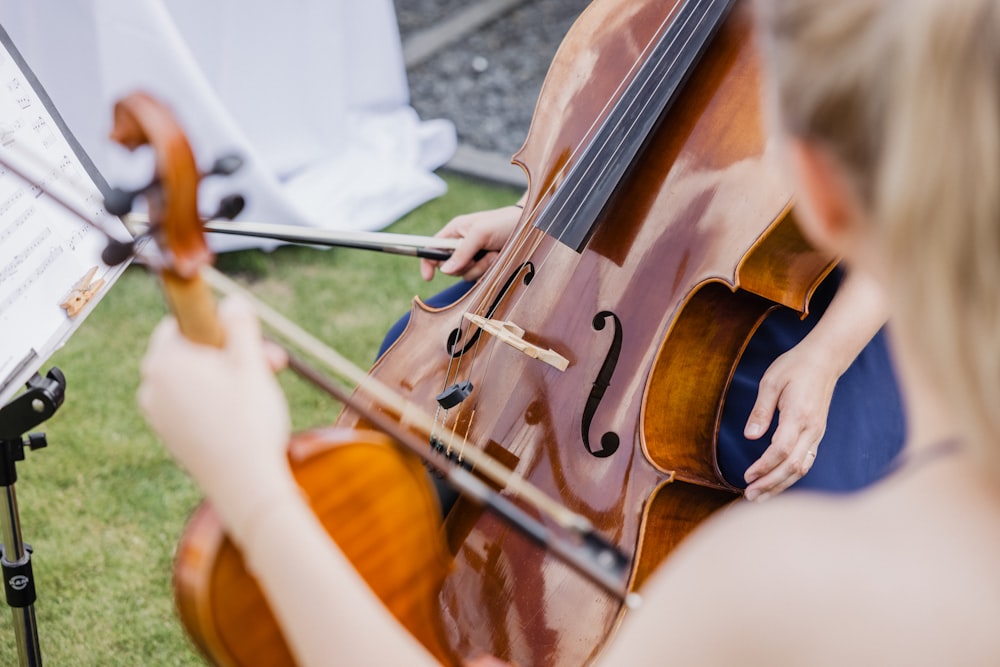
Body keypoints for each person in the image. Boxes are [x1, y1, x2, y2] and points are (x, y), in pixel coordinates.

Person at [138, 0, 1000, 664]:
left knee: (761, 450)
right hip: (640, 277)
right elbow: (654, 138)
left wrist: (252, 483)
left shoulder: (772, 587)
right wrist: (538, 211)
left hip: (792, 309)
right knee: (425, 345)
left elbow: (927, 178)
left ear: (816, 188)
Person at [381, 202, 903, 503]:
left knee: (782, 478)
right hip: (618, 259)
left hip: (799, 301)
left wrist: (826, 356)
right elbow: (623, 120)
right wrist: (533, 214)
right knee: (419, 354)